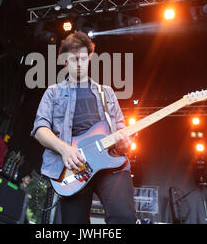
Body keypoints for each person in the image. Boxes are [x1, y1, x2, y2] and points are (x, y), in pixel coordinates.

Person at [30, 31, 136, 224]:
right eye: (72, 59)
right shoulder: (53, 92)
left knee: (124, 218)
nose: (78, 63)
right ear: (64, 61)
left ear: (90, 58)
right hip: (73, 167)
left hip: (111, 164)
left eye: (82, 58)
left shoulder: (107, 92)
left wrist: (126, 140)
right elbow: (40, 129)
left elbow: (121, 127)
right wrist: (65, 149)